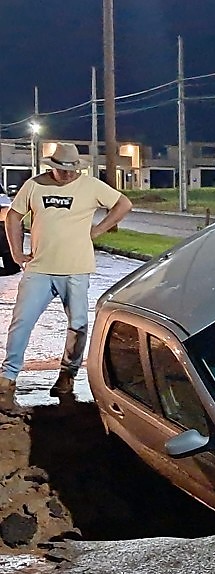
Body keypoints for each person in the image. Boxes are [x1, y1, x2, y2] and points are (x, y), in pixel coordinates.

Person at [0, 143, 132, 409]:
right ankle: (7, 379)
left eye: (72, 170)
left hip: (76, 268)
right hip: (39, 268)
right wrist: (16, 252)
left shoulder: (91, 186)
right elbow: (13, 217)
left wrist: (98, 230)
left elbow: (123, 203)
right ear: (53, 167)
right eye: (62, 169)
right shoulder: (35, 185)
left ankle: (67, 375)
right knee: (21, 322)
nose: (68, 174)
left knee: (79, 325)